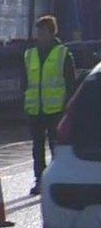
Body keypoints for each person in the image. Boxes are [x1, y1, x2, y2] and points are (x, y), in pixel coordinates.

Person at [24, 15, 76, 195]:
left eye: (42, 31)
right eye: (38, 32)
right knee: (37, 147)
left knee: (56, 146)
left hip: (56, 109)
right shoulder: (30, 54)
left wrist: (68, 107)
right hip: (35, 109)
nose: (39, 35)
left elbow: (70, 82)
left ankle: (57, 178)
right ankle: (40, 180)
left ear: (51, 32)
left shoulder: (62, 53)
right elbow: (26, 82)